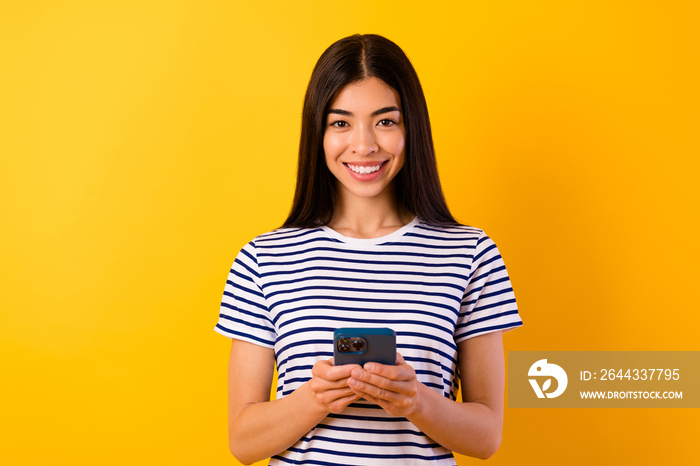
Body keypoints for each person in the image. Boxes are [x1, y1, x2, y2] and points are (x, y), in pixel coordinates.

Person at [215, 34, 523, 465]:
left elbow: (487, 436)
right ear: (318, 133)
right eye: (341, 123)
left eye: (385, 121)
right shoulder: (263, 259)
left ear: (410, 127)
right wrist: (314, 399)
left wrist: (416, 401)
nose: (364, 145)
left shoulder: (470, 253)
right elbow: (243, 442)